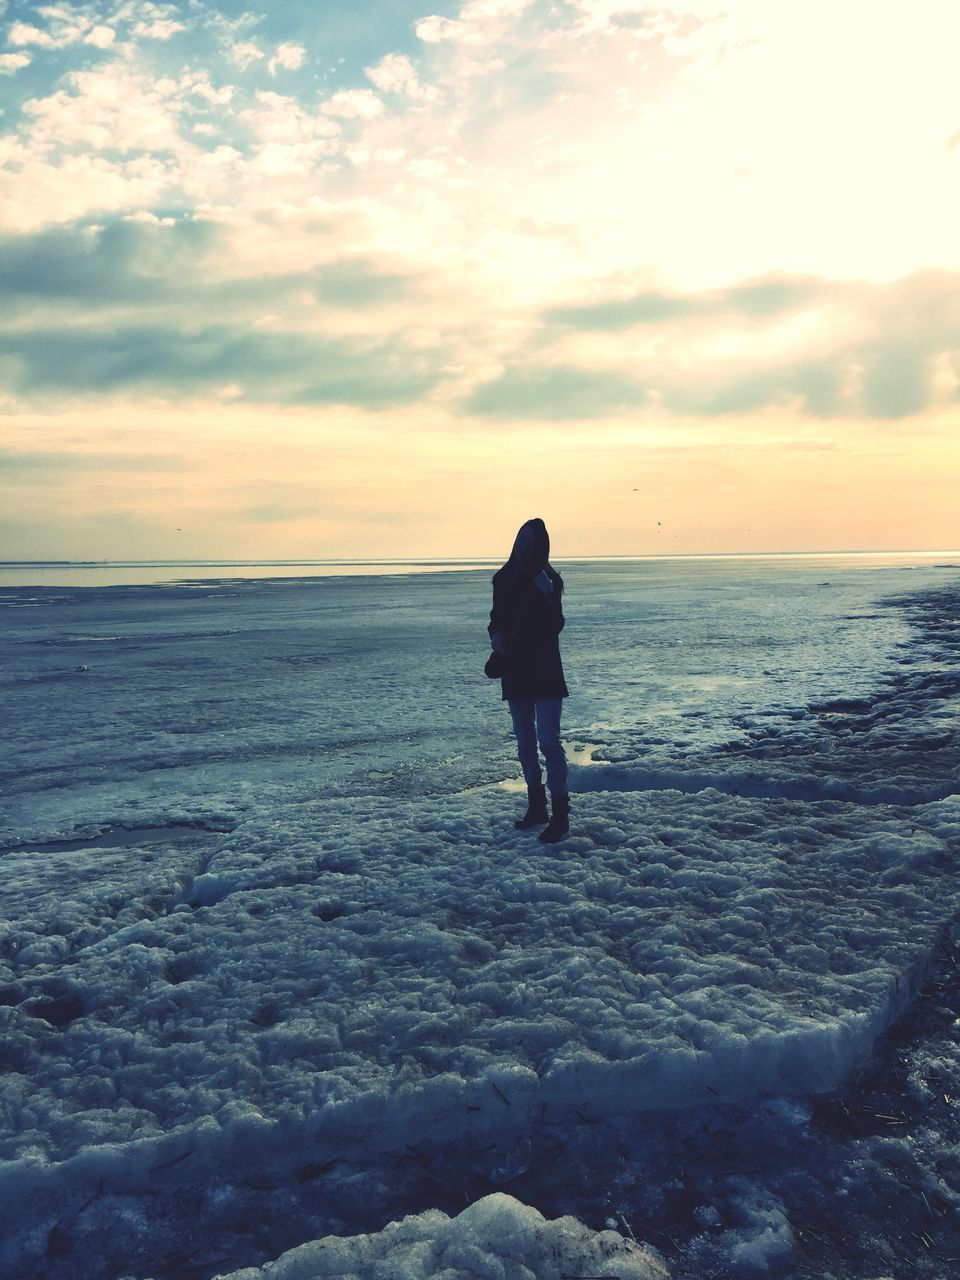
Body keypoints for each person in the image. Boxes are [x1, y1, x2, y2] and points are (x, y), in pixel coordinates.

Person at [488, 517, 570, 842]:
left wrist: (547, 593)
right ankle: (537, 806)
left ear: (542, 547)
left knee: (549, 742)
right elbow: (495, 619)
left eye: (532, 542)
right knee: (525, 745)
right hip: (516, 670)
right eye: (522, 540)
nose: (525, 547)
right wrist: (496, 636)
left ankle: (561, 815)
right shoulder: (503, 578)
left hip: (546, 669)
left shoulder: (549, 580)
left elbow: (556, 626)